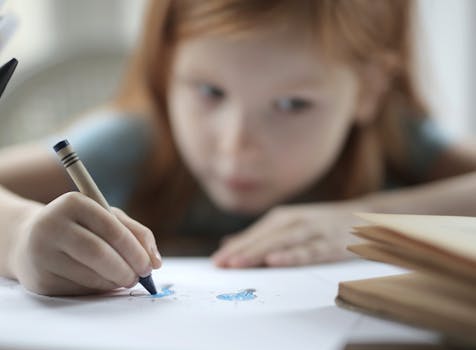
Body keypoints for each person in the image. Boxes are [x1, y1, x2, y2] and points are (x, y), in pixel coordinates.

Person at [0, 0, 475, 296]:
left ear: (369, 90)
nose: (235, 146)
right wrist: (20, 237)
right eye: (209, 92)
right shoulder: (135, 142)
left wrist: (364, 221)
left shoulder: (394, 144)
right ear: (167, 70)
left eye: (292, 104)